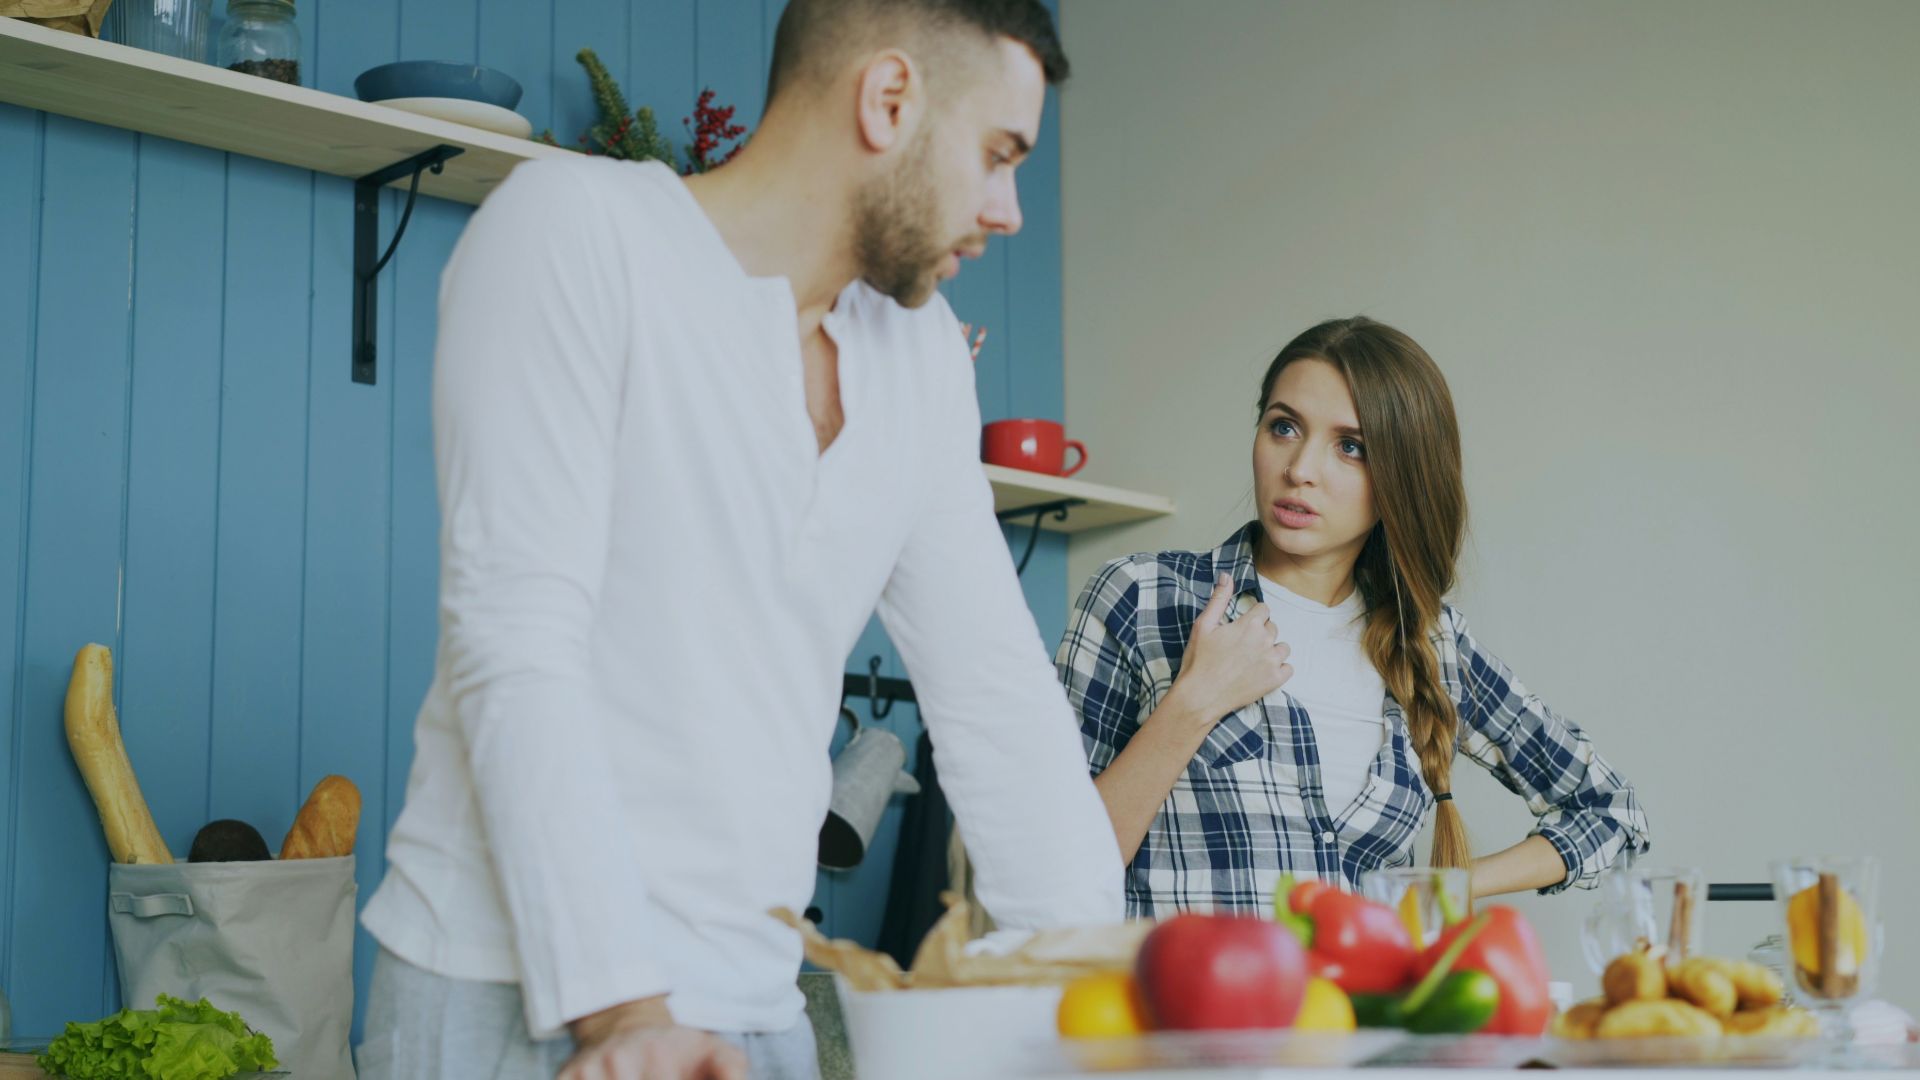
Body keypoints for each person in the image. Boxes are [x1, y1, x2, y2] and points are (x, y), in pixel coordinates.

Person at [356, 3, 1123, 1078]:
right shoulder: (575, 228)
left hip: (759, 1008)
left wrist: (1102, 995)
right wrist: (624, 1015)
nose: (1009, 211)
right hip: (514, 990)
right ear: (889, 99)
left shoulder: (921, 358)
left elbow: (996, 696)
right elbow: (516, 640)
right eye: (998, 156)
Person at [1056, 316, 1650, 919]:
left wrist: (1448, 888)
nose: (1300, 469)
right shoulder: (1141, 597)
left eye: (1351, 447)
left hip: (1364, 1011)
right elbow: (1051, 871)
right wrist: (1194, 703)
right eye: (1283, 427)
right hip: (1183, 1012)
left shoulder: (1432, 644)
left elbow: (1609, 810)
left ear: (1402, 476)